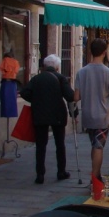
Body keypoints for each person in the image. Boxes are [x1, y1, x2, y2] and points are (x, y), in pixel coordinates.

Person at [20, 54, 75, 184]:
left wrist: (35, 100)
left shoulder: (37, 78)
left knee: (40, 145)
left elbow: (24, 92)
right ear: (56, 66)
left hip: (40, 113)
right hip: (57, 115)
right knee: (59, 144)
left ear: (45, 66)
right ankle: (61, 171)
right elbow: (70, 96)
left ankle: (40, 174)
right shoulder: (61, 78)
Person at [74, 38, 109, 181]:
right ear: (104, 52)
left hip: (88, 115)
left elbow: (76, 96)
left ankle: (96, 173)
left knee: (94, 145)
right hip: (102, 116)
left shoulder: (81, 72)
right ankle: (95, 177)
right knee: (99, 146)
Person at [0, 49, 20, 120]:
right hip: (13, 84)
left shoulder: (5, 61)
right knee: (12, 103)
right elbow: (16, 71)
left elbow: (2, 69)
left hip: (6, 83)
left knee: (5, 103)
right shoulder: (16, 62)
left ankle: (6, 113)